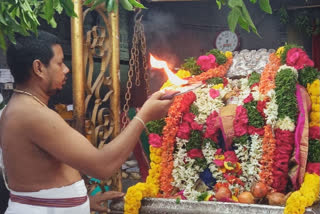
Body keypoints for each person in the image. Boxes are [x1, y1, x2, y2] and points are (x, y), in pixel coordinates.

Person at [0, 31, 174, 214]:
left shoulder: (23, 107)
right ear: (39, 68)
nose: (66, 69)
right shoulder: (31, 113)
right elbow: (102, 166)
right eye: (59, 63)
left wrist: (82, 202)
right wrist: (143, 116)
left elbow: (40, 178)